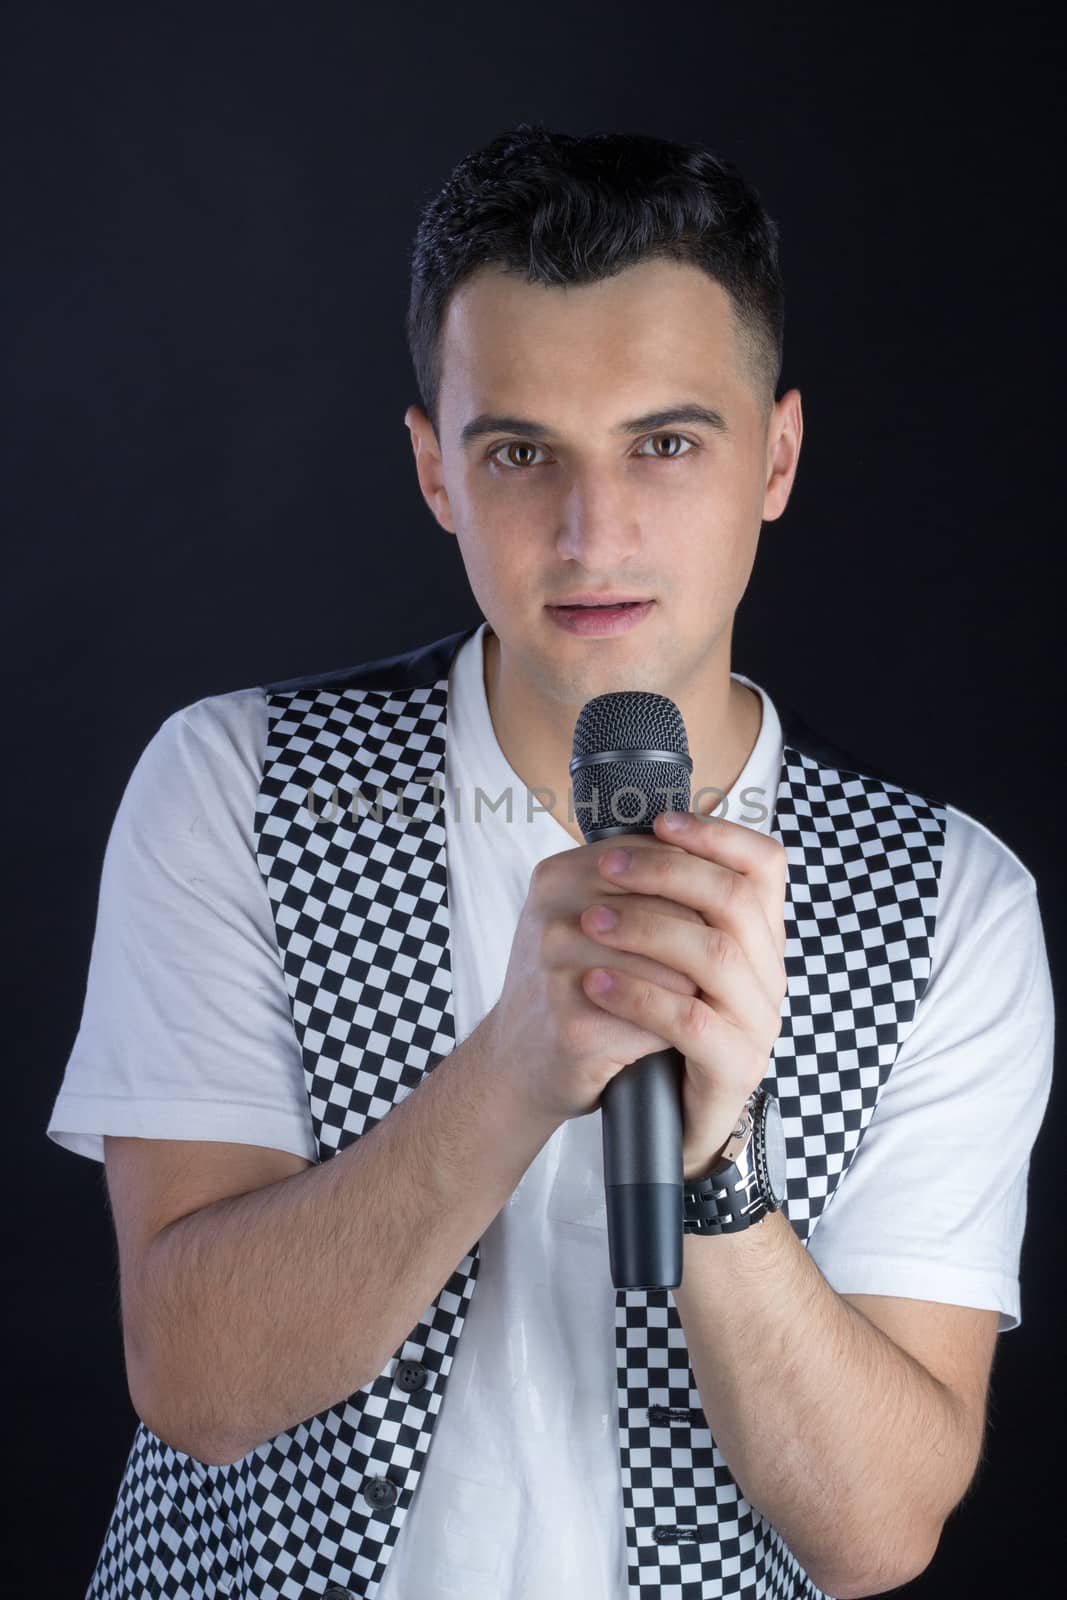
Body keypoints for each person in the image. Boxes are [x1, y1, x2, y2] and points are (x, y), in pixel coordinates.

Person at [48, 122, 1054, 1600]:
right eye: (521, 452)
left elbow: (875, 1532)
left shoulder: (949, 900)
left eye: (666, 441)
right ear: (434, 471)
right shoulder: (239, 785)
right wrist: (520, 1061)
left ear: (774, 456)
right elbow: (196, 1382)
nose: (595, 533)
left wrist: (718, 1172)